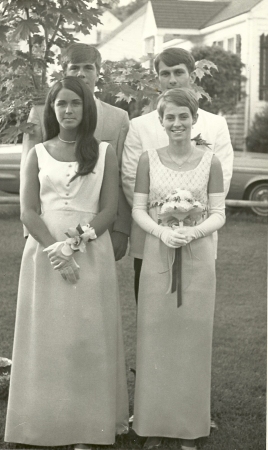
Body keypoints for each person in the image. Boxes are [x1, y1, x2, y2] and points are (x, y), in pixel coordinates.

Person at [5, 76, 129, 449]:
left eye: (75, 103)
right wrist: (54, 251)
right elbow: (28, 211)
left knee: (86, 338)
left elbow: (109, 209)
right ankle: (42, 424)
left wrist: (73, 246)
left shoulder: (104, 152)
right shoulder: (37, 153)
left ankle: (87, 429)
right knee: (46, 336)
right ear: (52, 109)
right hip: (44, 253)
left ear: (86, 108)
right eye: (61, 104)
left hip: (90, 250)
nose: (68, 110)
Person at [131, 88, 226, 450]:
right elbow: (140, 209)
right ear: (161, 121)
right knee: (156, 340)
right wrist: (161, 232)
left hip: (198, 256)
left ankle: (189, 428)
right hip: (159, 253)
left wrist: (193, 231)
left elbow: (218, 213)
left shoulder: (210, 161)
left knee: (192, 341)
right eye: (169, 117)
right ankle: (154, 424)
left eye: (183, 116)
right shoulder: (148, 160)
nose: (176, 123)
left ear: (194, 118)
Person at [122, 47, 233, 301]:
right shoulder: (139, 126)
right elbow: (131, 179)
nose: (172, 79)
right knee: (153, 309)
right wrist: (163, 224)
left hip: (199, 232)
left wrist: (191, 221)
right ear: (157, 78)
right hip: (151, 235)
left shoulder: (215, 124)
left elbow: (222, 176)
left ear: (192, 76)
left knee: (193, 310)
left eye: (179, 72)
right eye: (165, 73)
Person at [22, 42, 131, 261]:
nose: (81, 74)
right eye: (74, 67)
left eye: (88, 68)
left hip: (98, 228)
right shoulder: (41, 113)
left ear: (98, 73)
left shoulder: (118, 118)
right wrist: (30, 232)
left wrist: (121, 228)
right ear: (64, 72)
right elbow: (28, 175)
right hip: (47, 231)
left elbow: (121, 178)